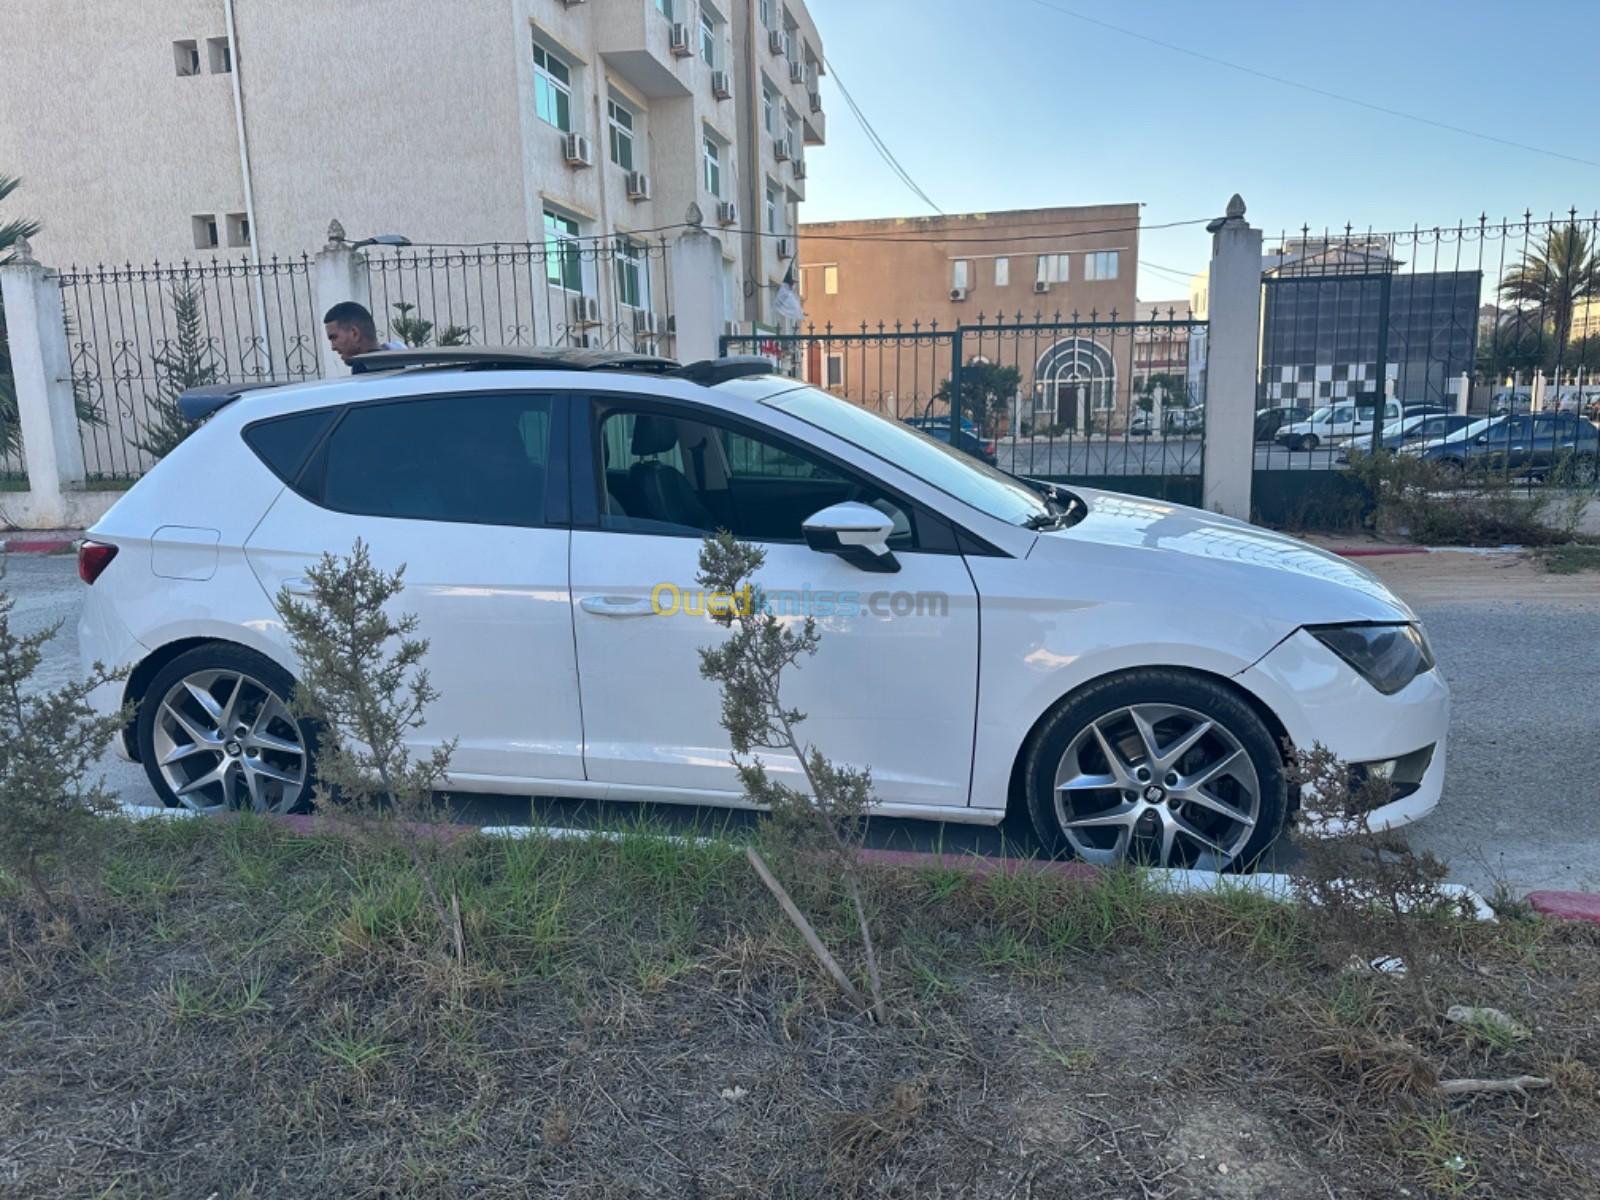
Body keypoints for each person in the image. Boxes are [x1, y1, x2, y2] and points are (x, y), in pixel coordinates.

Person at [323, 301, 402, 372]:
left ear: (354, 334)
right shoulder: (403, 362)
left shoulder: (363, 368)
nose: (333, 347)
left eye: (334, 338)